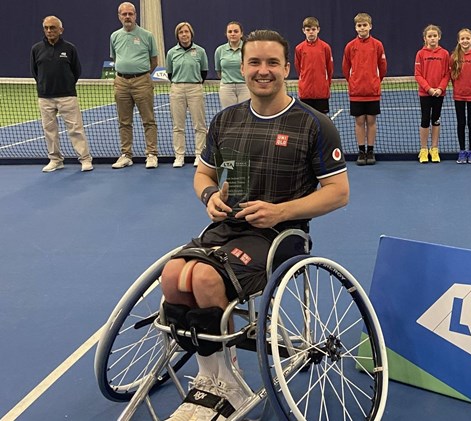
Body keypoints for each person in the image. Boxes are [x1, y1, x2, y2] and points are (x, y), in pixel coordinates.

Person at [159, 29, 349, 421]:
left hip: (282, 236)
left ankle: (227, 383)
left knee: (205, 281)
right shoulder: (225, 119)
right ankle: (213, 378)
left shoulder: (314, 124)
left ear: (286, 68)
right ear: (242, 67)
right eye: (255, 63)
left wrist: (280, 212)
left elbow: (338, 192)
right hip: (228, 229)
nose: (263, 71)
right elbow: (203, 176)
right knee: (173, 276)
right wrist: (208, 196)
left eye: (272, 63)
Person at [30, 15, 93, 172]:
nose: (49, 31)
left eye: (53, 27)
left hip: (67, 96)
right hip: (45, 97)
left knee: (76, 129)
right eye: (46, 28)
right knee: (49, 131)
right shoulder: (36, 49)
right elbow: (35, 72)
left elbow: (76, 71)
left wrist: (67, 85)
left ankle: (85, 159)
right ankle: (55, 160)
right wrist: (44, 87)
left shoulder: (70, 48)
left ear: (61, 30)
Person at [110, 1, 159, 169]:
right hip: (121, 82)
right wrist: (125, 72)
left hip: (142, 82)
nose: (127, 17)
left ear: (136, 15)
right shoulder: (114, 36)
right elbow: (115, 58)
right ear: (119, 16)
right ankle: (126, 155)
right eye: (124, 14)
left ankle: (151, 154)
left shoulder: (147, 35)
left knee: (148, 120)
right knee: (124, 121)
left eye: (130, 14)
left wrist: (140, 74)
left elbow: (154, 61)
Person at [342, 12, 387, 166]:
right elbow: (345, 67)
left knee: (371, 121)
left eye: (365, 25)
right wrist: (354, 81)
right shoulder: (350, 46)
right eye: (359, 26)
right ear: (355, 28)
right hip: (356, 92)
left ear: (370, 26)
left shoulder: (378, 45)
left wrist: (375, 82)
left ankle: (370, 150)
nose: (362, 28)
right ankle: (361, 151)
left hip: (372, 92)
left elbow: (383, 67)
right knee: (360, 121)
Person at [166, 22, 208, 168]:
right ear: (177, 35)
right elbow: (170, 73)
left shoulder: (200, 51)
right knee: (178, 126)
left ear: (191, 34)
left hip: (195, 89)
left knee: (200, 125)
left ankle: (199, 155)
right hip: (177, 89)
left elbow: (204, 72)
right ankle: (179, 156)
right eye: (181, 32)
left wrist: (193, 83)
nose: (184, 34)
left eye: (186, 32)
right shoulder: (171, 53)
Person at [414, 24, 450, 164]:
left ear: (439, 37)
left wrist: (440, 88)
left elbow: (447, 74)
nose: (433, 38)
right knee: (425, 120)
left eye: (435, 36)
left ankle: (434, 149)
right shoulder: (420, 54)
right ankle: (423, 149)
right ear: (425, 38)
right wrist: (428, 89)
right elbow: (418, 74)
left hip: (439, 94)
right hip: (425, 94)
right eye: (430, 36)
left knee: (436, 120)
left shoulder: (445, 53)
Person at [450, 28, 471, 164]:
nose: (465, 41)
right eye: (462, 38)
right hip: (458, 95)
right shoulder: (453, 57)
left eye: (467, 38)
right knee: (461, 123)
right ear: (458, 41)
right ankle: (462, 151)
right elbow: (452, 76)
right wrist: (459, 87)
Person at [294, 16, 334, 114]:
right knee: (306, 120)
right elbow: (298, 68)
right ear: (303, 31)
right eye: (308, 30)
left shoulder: (325, 47)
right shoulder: (299, 48)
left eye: (313, 29)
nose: (311, 32)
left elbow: (330, 69)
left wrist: (325, 85)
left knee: (322, 121)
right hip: (305, 93)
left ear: (318, 30)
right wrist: (304, 82)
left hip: (321, 93)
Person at [215, 21, 250, 110]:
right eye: (230, 32)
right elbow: (219, 71)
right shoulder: (220, 50)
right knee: (228, 115)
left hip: (245, 87)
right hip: (227, 88)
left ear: (241, 34)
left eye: (236, 31)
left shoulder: (248, 48)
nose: (232, 34)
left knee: (245, 114)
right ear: (226, 34)